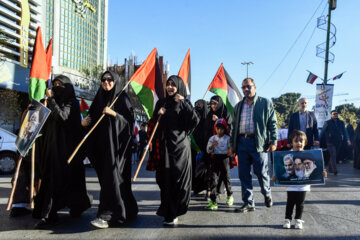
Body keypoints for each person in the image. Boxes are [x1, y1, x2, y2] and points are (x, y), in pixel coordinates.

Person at [82, 71, 138, 228]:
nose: (106, 82)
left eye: (110, 80)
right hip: (101, 149)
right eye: (103, 80)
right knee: (109, 182)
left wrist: (114, 114)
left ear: (116, 82)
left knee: (112, 182)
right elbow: (92, 119)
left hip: (117, 151)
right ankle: (129, 209)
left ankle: (108, 215)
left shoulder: (122, 99)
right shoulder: (99, 98)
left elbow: (129, 125)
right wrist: (85, 123)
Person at [33, 75, 91, 228]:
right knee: (52, 180)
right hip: (52, 150)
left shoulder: (71, 103)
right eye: (55, 84)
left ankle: (52, 214)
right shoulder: (51, 103)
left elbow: (63, 117)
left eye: (60, 85)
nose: (56, 87)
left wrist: (51, 100)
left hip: (66, 153)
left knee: (62, 181)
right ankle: (48, 211)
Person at [148, 75, 199, 226]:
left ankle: (175, 210)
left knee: (178, 182)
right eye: (168, 84)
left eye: (173, 85)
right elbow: (153, 124)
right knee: (164, 180)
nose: (170, 87)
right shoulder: (161, 103)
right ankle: (169, 211)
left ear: (179, 87)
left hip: (180, 149)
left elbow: (194, 120)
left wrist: (183, 103)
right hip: (163, 148)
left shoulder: (184, 103)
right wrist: (159, 114)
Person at [229, 78, 277, 213]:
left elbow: (272, 123)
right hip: (242, 143)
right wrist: (232, 145)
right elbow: (234, 127)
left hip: (259, 143)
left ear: (255, 87)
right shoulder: (238, 106)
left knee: (262, 172)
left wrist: (274, 140)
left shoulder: (264, 103)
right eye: (243, 87)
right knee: (243, 174)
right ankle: (248, 203)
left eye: (248, 87)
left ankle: (266, 193)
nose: (246, 89)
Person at [203, 96, 232, 200]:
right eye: (211, 104)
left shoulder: (225, 113)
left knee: (224, 173)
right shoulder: (209, 114)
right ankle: (210, 191)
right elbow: (205, 130)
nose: (213, 106)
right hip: (211, 148)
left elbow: (229, 128)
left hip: (223, 151)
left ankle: (222, 191)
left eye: (215, 103)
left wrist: (219, 120)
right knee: (211, 171)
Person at [282, 130, 310, 230]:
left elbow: (315, 173)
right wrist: (276, 177)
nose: (298, 143)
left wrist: (322, 174)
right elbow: (282, 172)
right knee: (290, 203)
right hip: (291, 185)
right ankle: (287, 219)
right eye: (296, 141)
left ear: (305, 142)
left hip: (303, 186)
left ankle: (298, 219)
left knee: (300, 204)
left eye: (301, 141)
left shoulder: (307, 155)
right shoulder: (288, 155)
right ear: (291, 142)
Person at [204, 118, 234, 210]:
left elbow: (231, 149)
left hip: (224, 159)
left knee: (226, 178)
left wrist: (230, 151)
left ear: (225, 129)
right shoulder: (212, 138)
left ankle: (229, 195)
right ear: (215, 129)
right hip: (215, 158)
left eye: (222, 129)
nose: (219, 131)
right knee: (213, 179)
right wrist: (212, 145)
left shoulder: (228, 138)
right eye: (218, 128)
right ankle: (213, 201)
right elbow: (208, 150)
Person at [320, 110, 351, 175]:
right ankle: (335, 170)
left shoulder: (341, 123)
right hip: (330, 142)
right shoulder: (327, 122)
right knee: (333, 154)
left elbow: (345, 132)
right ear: (331, 115)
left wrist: (348, 139)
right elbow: (322, 132)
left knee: (333, 155)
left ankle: (330, 168)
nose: (335, 115)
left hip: (338, 142)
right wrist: (318, 140)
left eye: (336, 114)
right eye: (334, 114)